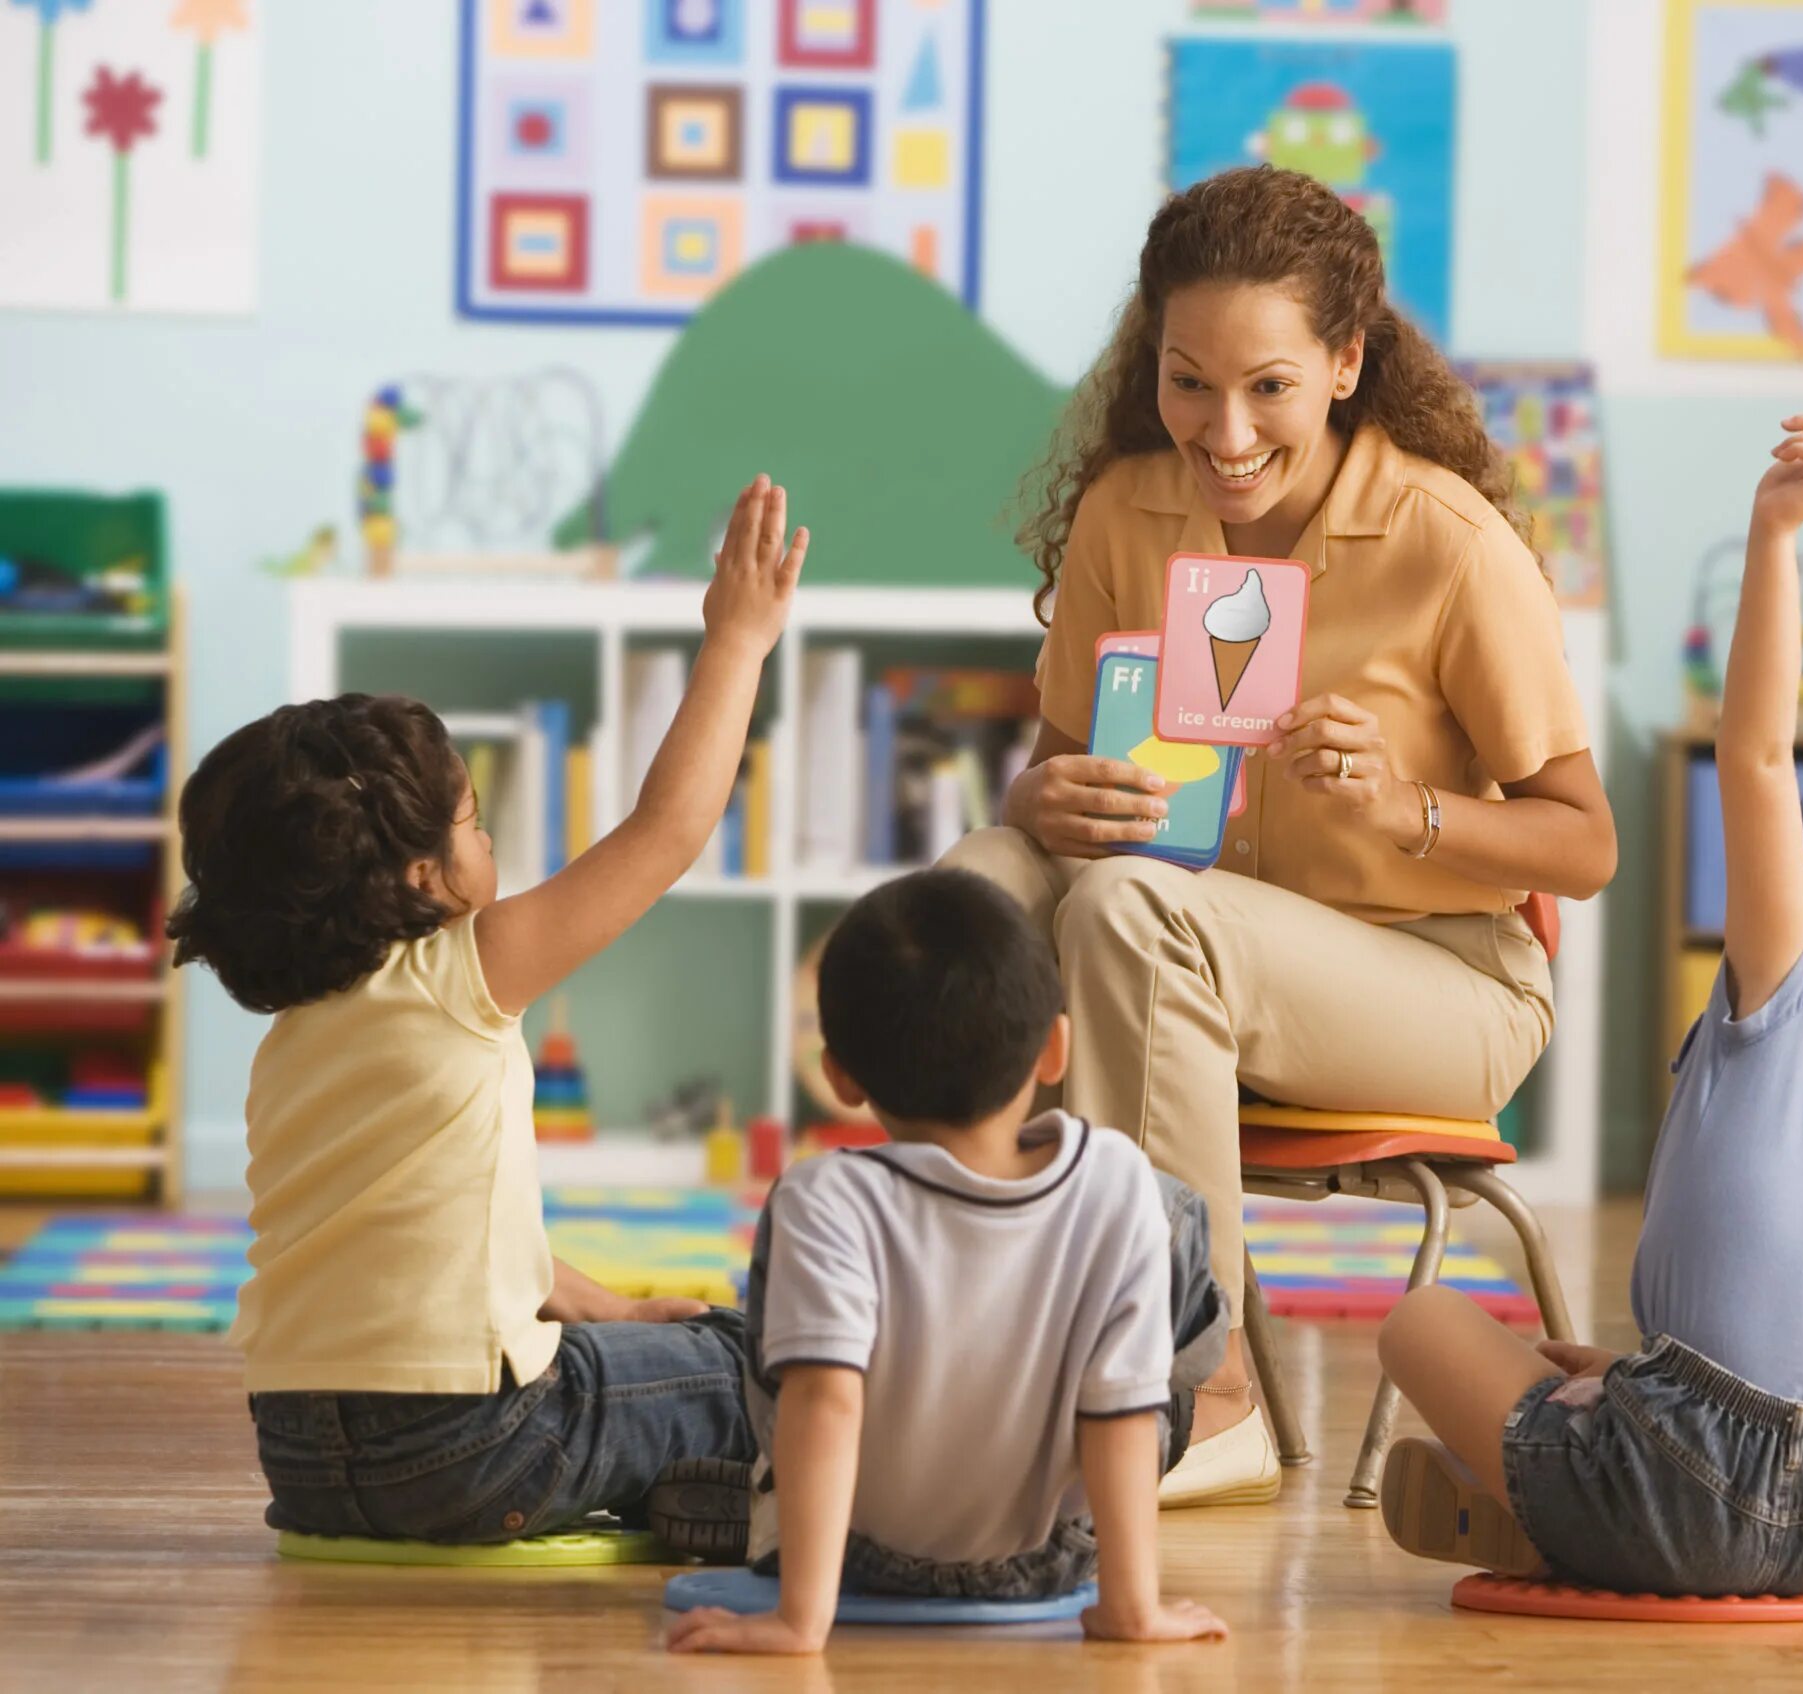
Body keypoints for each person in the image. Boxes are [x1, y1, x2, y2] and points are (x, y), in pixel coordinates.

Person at [941, 165, 1617, 1507]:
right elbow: (1057, 769)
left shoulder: (1446, 544)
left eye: (1269, 388)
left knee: (1131, 912)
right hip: (1181, 954)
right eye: (1190, 381)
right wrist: (1036, 802)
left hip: (1440, 978)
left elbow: (1583, 843)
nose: (1225, 429)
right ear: (1154, 364)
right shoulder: (1124, 511)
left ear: (1346, 363)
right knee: (973, 888)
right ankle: (962, 1333)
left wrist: (1407, 807)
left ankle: (1212, 1390)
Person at [1372, 403, 1803, 1600]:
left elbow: (1754, 754)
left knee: (1421, 1320)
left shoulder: (1796, 991)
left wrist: (1774, 536)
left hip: (1693, 1475)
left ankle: (1557, 1517)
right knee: (1569, 1362)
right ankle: (1591, 1451)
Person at [171, 477, 804, 1554]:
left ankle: (686, 1485)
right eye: (472, 820)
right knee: (769, 1353)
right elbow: (667, 828)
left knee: (658, 1342)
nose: (488, 837)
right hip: (481, 1443)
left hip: (303, 1457)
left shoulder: (290, 1045)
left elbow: (428, 1235)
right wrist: (737, 640)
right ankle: (773, 1498)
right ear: (423, 875)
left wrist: (600, 1304)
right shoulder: (465, 971)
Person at [665, 869, 1229, 1656]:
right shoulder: (1118, 1182)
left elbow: (824, 1401)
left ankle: (773, 1507)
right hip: (1050, 1562)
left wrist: (800, 1621)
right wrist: (1133, 1610)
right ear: (1055, 1049)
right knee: (1175, 1222)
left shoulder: (821, 1198)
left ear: (840, 1076)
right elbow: (1123, 1413)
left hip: (863, 1556)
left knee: (799, 1345)